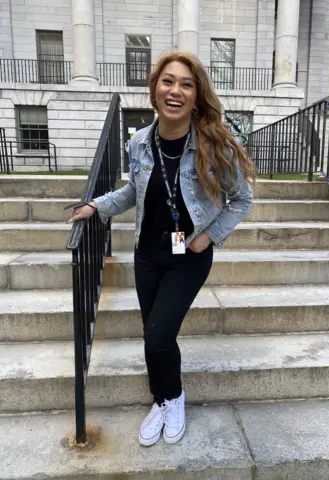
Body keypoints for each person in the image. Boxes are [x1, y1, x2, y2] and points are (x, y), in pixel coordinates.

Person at [68, 50, 255, 447]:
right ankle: (161, 399)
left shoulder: (212, 146)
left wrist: (208, 236)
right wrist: (95, 207)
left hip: (188, 258)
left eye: (186, 84)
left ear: (196, 96)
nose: (176, 90)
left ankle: (176, 397)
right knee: (152, 333)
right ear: (155, 89)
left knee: (158, 334)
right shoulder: (139, 143)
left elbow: (242, 198)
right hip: (147, 256)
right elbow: (131, 193)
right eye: (168, 81)